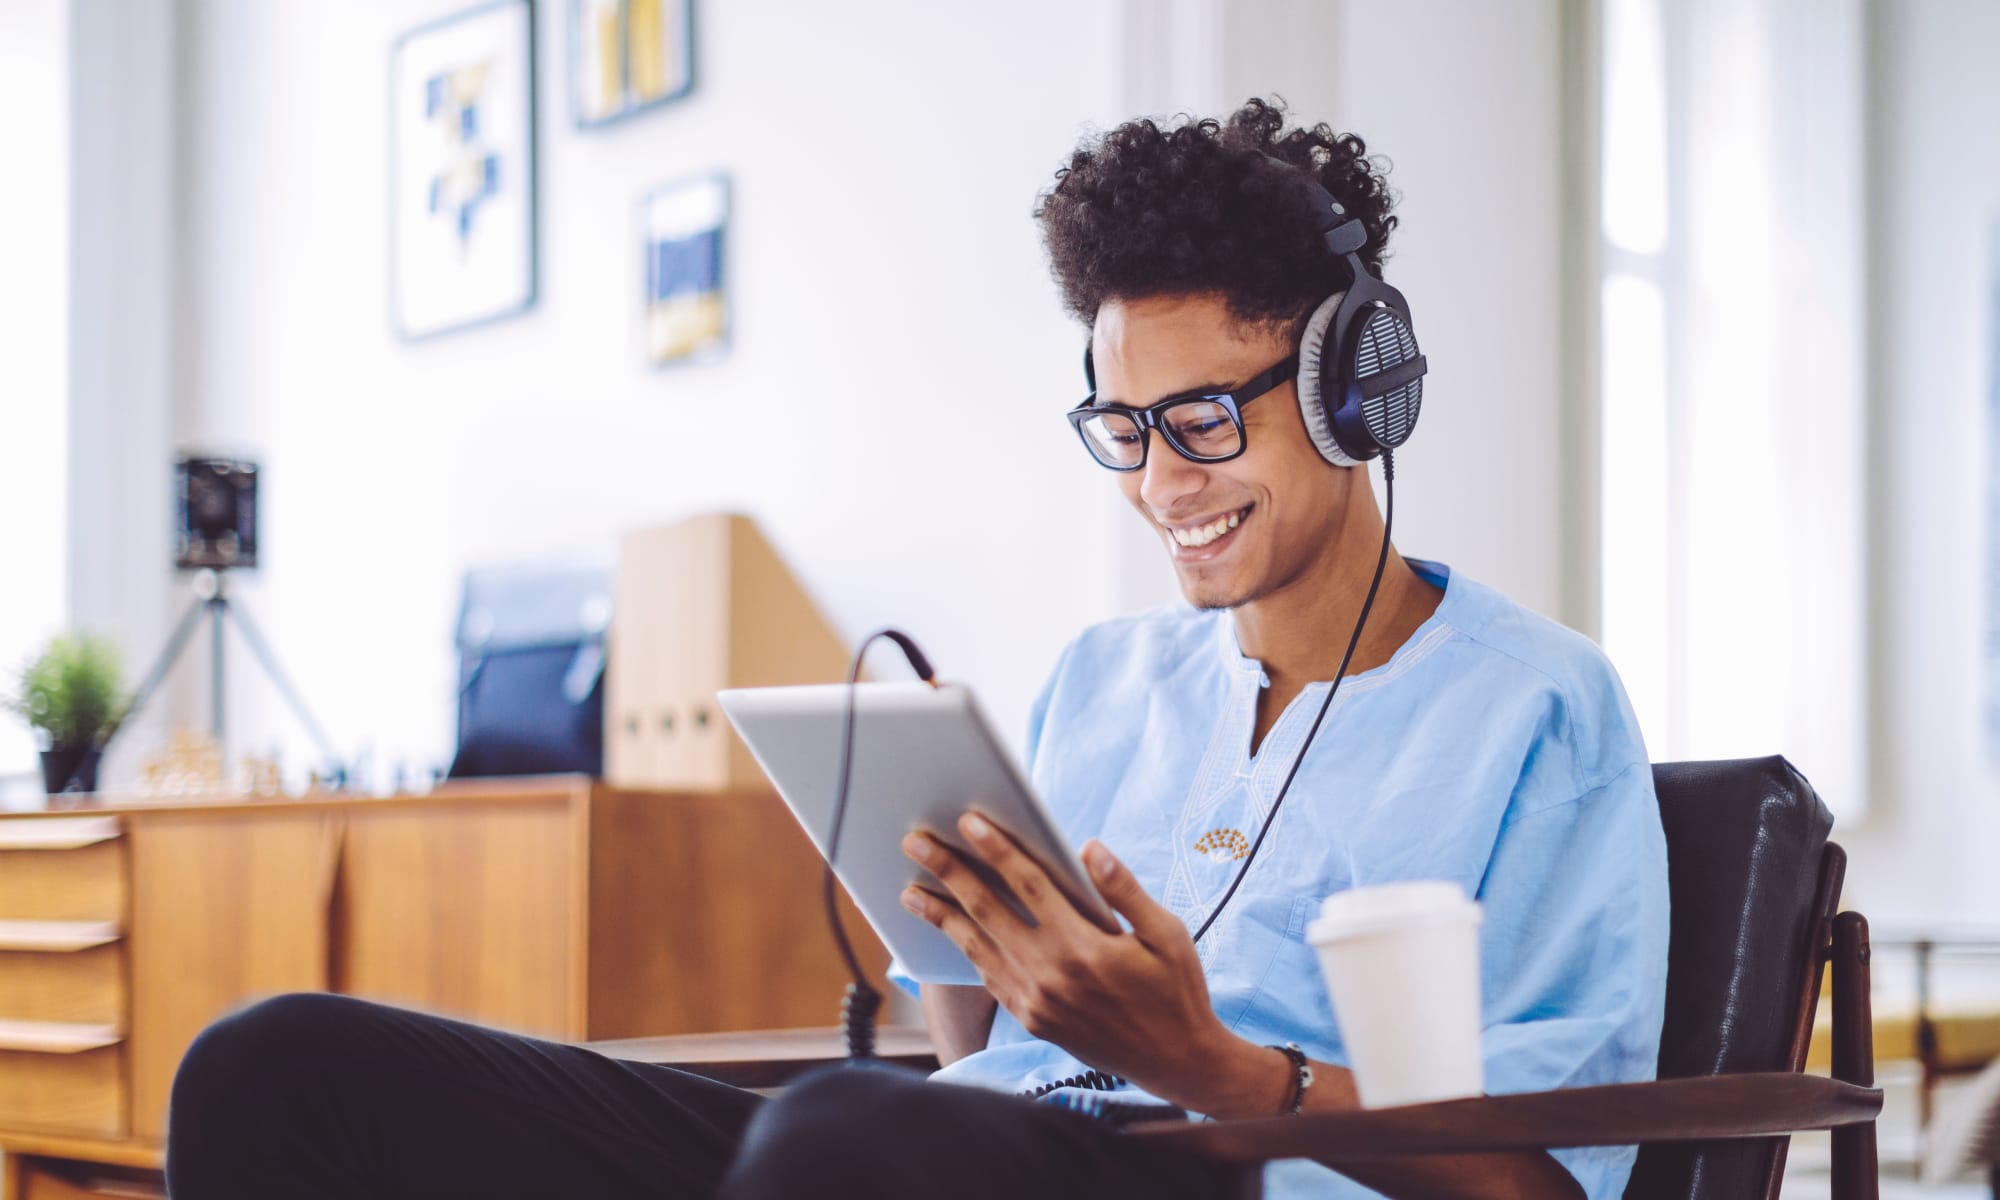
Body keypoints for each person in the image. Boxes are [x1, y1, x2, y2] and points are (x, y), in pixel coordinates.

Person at [164, 99, 1666, 1200]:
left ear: (1354, 391)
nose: (1163, 482)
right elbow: (976, 1069)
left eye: (1207, 420)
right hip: (955, 1156)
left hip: (1221, 1173)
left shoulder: (1538, 708)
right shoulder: (1105, 679)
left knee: (843, 1137)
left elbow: (1551, 1181)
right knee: (274, 1064)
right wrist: (958, 932)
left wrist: (1203, 1061)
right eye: (1124, 430)